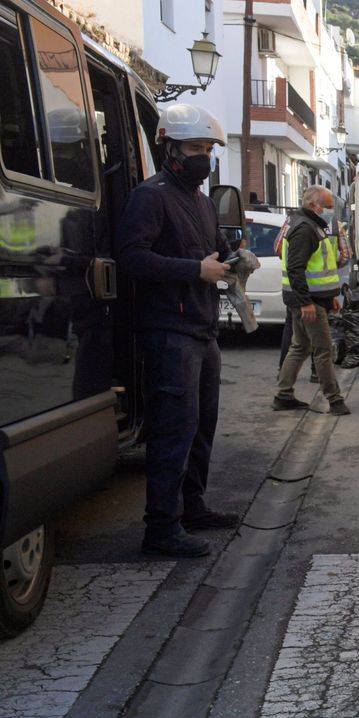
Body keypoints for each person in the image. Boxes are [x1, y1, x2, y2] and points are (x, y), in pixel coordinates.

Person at [113, 104, 241, 558]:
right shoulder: (151, 197)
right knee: (174, 429)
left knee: (201, 426)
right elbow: (131, 258)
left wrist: (234, 260)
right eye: (194, 148)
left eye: (208, 149)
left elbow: (217, 251)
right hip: (170, 331)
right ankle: (161, 529)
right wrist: (195, 270)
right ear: (170, 149)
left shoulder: (203, 202)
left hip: (203, 331)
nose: (203, 157)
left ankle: (192, 507)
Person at [274, 186, 351, 416]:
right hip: (308, 302)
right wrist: (306, 302)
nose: (330, 210)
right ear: (313, 206)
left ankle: (283, 395)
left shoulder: (307, 225)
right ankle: (335, 400)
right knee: (323, 350)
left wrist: (329, 299)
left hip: (312, 299)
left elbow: (317, 268)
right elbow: (297, 269)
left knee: (300, 346)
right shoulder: (305, 229)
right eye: (327, 206)